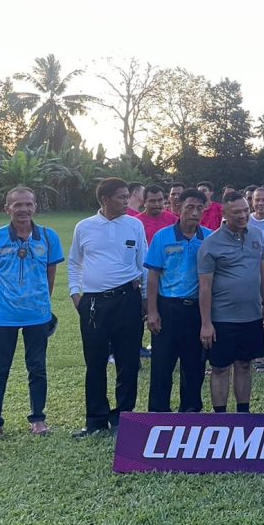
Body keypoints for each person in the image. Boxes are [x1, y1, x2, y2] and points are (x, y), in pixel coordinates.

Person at [0, 186, 64, 444]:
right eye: (17, 205)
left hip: (38, 314)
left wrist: (41, 302)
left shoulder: (48, 236)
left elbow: (50, 273)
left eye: (28, 204)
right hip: (3, 315)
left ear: (35, 206)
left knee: (37, 367)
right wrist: (5, 300)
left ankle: (38, 419)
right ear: (7, 209)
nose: (23, 209)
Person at [68, 177, 147, 438]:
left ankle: (124, 417)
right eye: (121, 197)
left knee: (128, 360)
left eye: (127, 196)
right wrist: (75, 294)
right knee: (95, 361)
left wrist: (145, 300)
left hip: (128, 299)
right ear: (105, 199)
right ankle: (96, 420)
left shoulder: (134, 225)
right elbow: (74, 262)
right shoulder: (85, 227)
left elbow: (143, 264)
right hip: (93, 303)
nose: (127, 201)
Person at [197, 192, 264, 413]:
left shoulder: (257, 235)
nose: (243, 215)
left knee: (244, 364)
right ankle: (221, 416)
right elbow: (205, 287)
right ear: (225, 213)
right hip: (222, 318)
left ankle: (243, 413)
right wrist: (206, 324)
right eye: (237, 212)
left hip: (252, 316)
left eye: (246, 210)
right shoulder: (211, 244)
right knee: (220, 368)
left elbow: (263, 272)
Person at [146, 188, 212, 413]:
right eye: (189, 207)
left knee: (194, 365)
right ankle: (158, 414)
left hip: (197, 309)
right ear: (178, 208)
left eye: (199, 208)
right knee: (162, 365)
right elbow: (153, 276)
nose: (194, 213)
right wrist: (152, 311)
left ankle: (190, 412)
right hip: (168, 308)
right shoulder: (162, 236)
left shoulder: (209, 238)